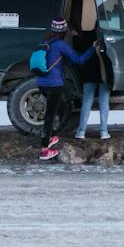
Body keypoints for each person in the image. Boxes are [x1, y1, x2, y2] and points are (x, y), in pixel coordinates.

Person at [34, 17, 94, 161]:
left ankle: (51, 136)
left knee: (57, 109)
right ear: (64, 30)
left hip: (40, 81)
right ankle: (44, 149)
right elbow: (79, 60)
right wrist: (93, 48)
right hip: (53, 84)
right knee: (50, 114)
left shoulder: (45, 41)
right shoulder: (61, 45)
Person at [73, 20, 110, 140]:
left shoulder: (87, 35)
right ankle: (103, 132)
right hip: (104, 73)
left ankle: (81, 132)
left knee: (87, 101)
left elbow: (78, 46)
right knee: (104, 102)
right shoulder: (108, 37)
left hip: (88, 73)